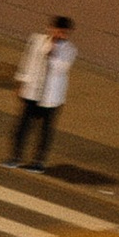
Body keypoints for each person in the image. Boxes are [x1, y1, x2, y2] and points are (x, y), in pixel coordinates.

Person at [10, 14, 75, 169]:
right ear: (51, 29)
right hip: (33, 91)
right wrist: (21, 82)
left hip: (51, 97)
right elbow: (28, 61)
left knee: (45, 131)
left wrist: (53, 52)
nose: (60, 35)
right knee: (23, 126)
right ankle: (16, 156)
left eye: (63, 33)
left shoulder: (69, 50)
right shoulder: (37, 40)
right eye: (57, 31)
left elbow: (61, 69)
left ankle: (38, 161)